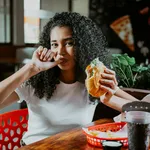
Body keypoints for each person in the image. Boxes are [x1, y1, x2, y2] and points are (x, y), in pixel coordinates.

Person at [0, 12, 138, 145]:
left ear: (84, 47)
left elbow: (143, 110)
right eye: (54, 44)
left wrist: (111, 97)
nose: (60, 51)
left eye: (69, 43)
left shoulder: (93, 82)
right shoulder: (35, 81)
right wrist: (31, 68)